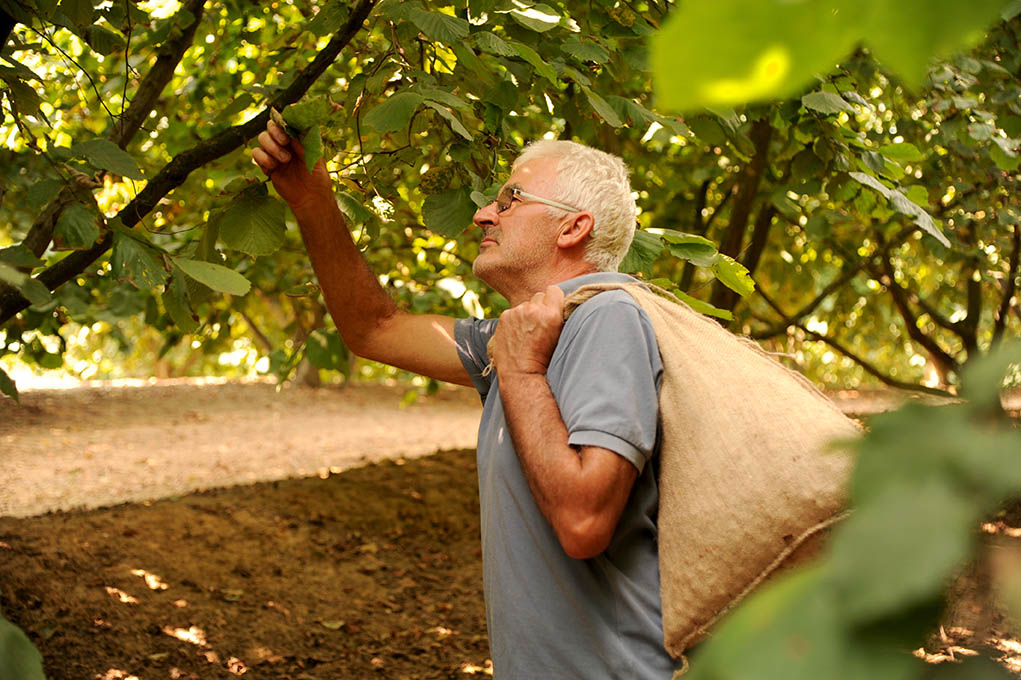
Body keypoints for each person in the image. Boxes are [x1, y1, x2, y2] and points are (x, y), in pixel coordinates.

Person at [253, 122, 677, 678]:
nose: (483, 215)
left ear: (573, 227)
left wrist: (522, 371)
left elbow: (583, 521)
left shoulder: (608, 317)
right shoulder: (524, 333)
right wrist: (312, 199)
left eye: (511, 199)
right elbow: (374, 329)